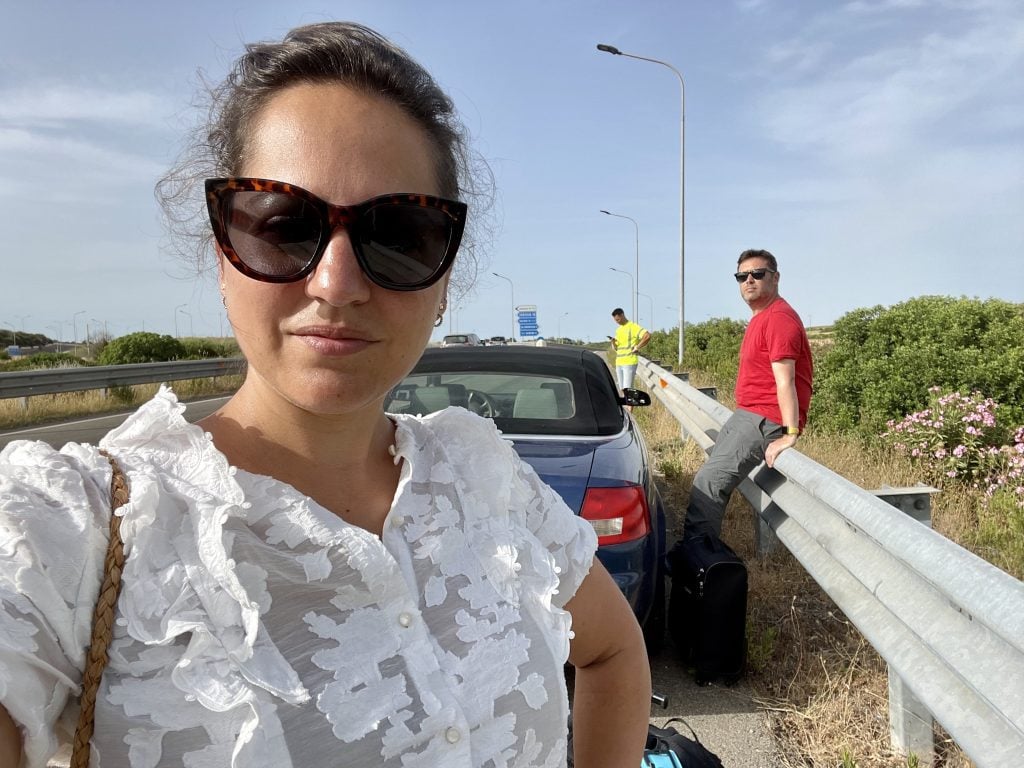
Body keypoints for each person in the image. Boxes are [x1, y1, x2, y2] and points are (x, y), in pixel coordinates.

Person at [0, 22, 650, 767]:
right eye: (282, 225)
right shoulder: (75, 525)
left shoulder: (485, 481)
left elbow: (612, 651)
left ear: (443, 281)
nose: (336, 284)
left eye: (401, 235)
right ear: (223, 253)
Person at [683, 249, 813, 539]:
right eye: (742, 276)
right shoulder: (760, 317)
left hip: (765, 418)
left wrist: (790, 433)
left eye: (758, 274)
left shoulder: (779, 318)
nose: (749, 280)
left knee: (709, 482)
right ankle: (695, 555)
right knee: (710, 478)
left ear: (775, 277)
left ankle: (697, 563)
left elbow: (786, 381)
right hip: (748, 413)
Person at [608, 308, 650, 390]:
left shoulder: (632, 326)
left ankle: (629, 403)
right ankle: (626, 403)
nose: (617, 322)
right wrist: (613, 342)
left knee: (628, 390)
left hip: (629, 362)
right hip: (619, 362)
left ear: (622, 315)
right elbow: (616, 348)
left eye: (618, 319)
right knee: (622, 389)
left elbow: (647, 336)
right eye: (615, 320)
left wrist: (637, 347)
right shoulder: (618, 330)